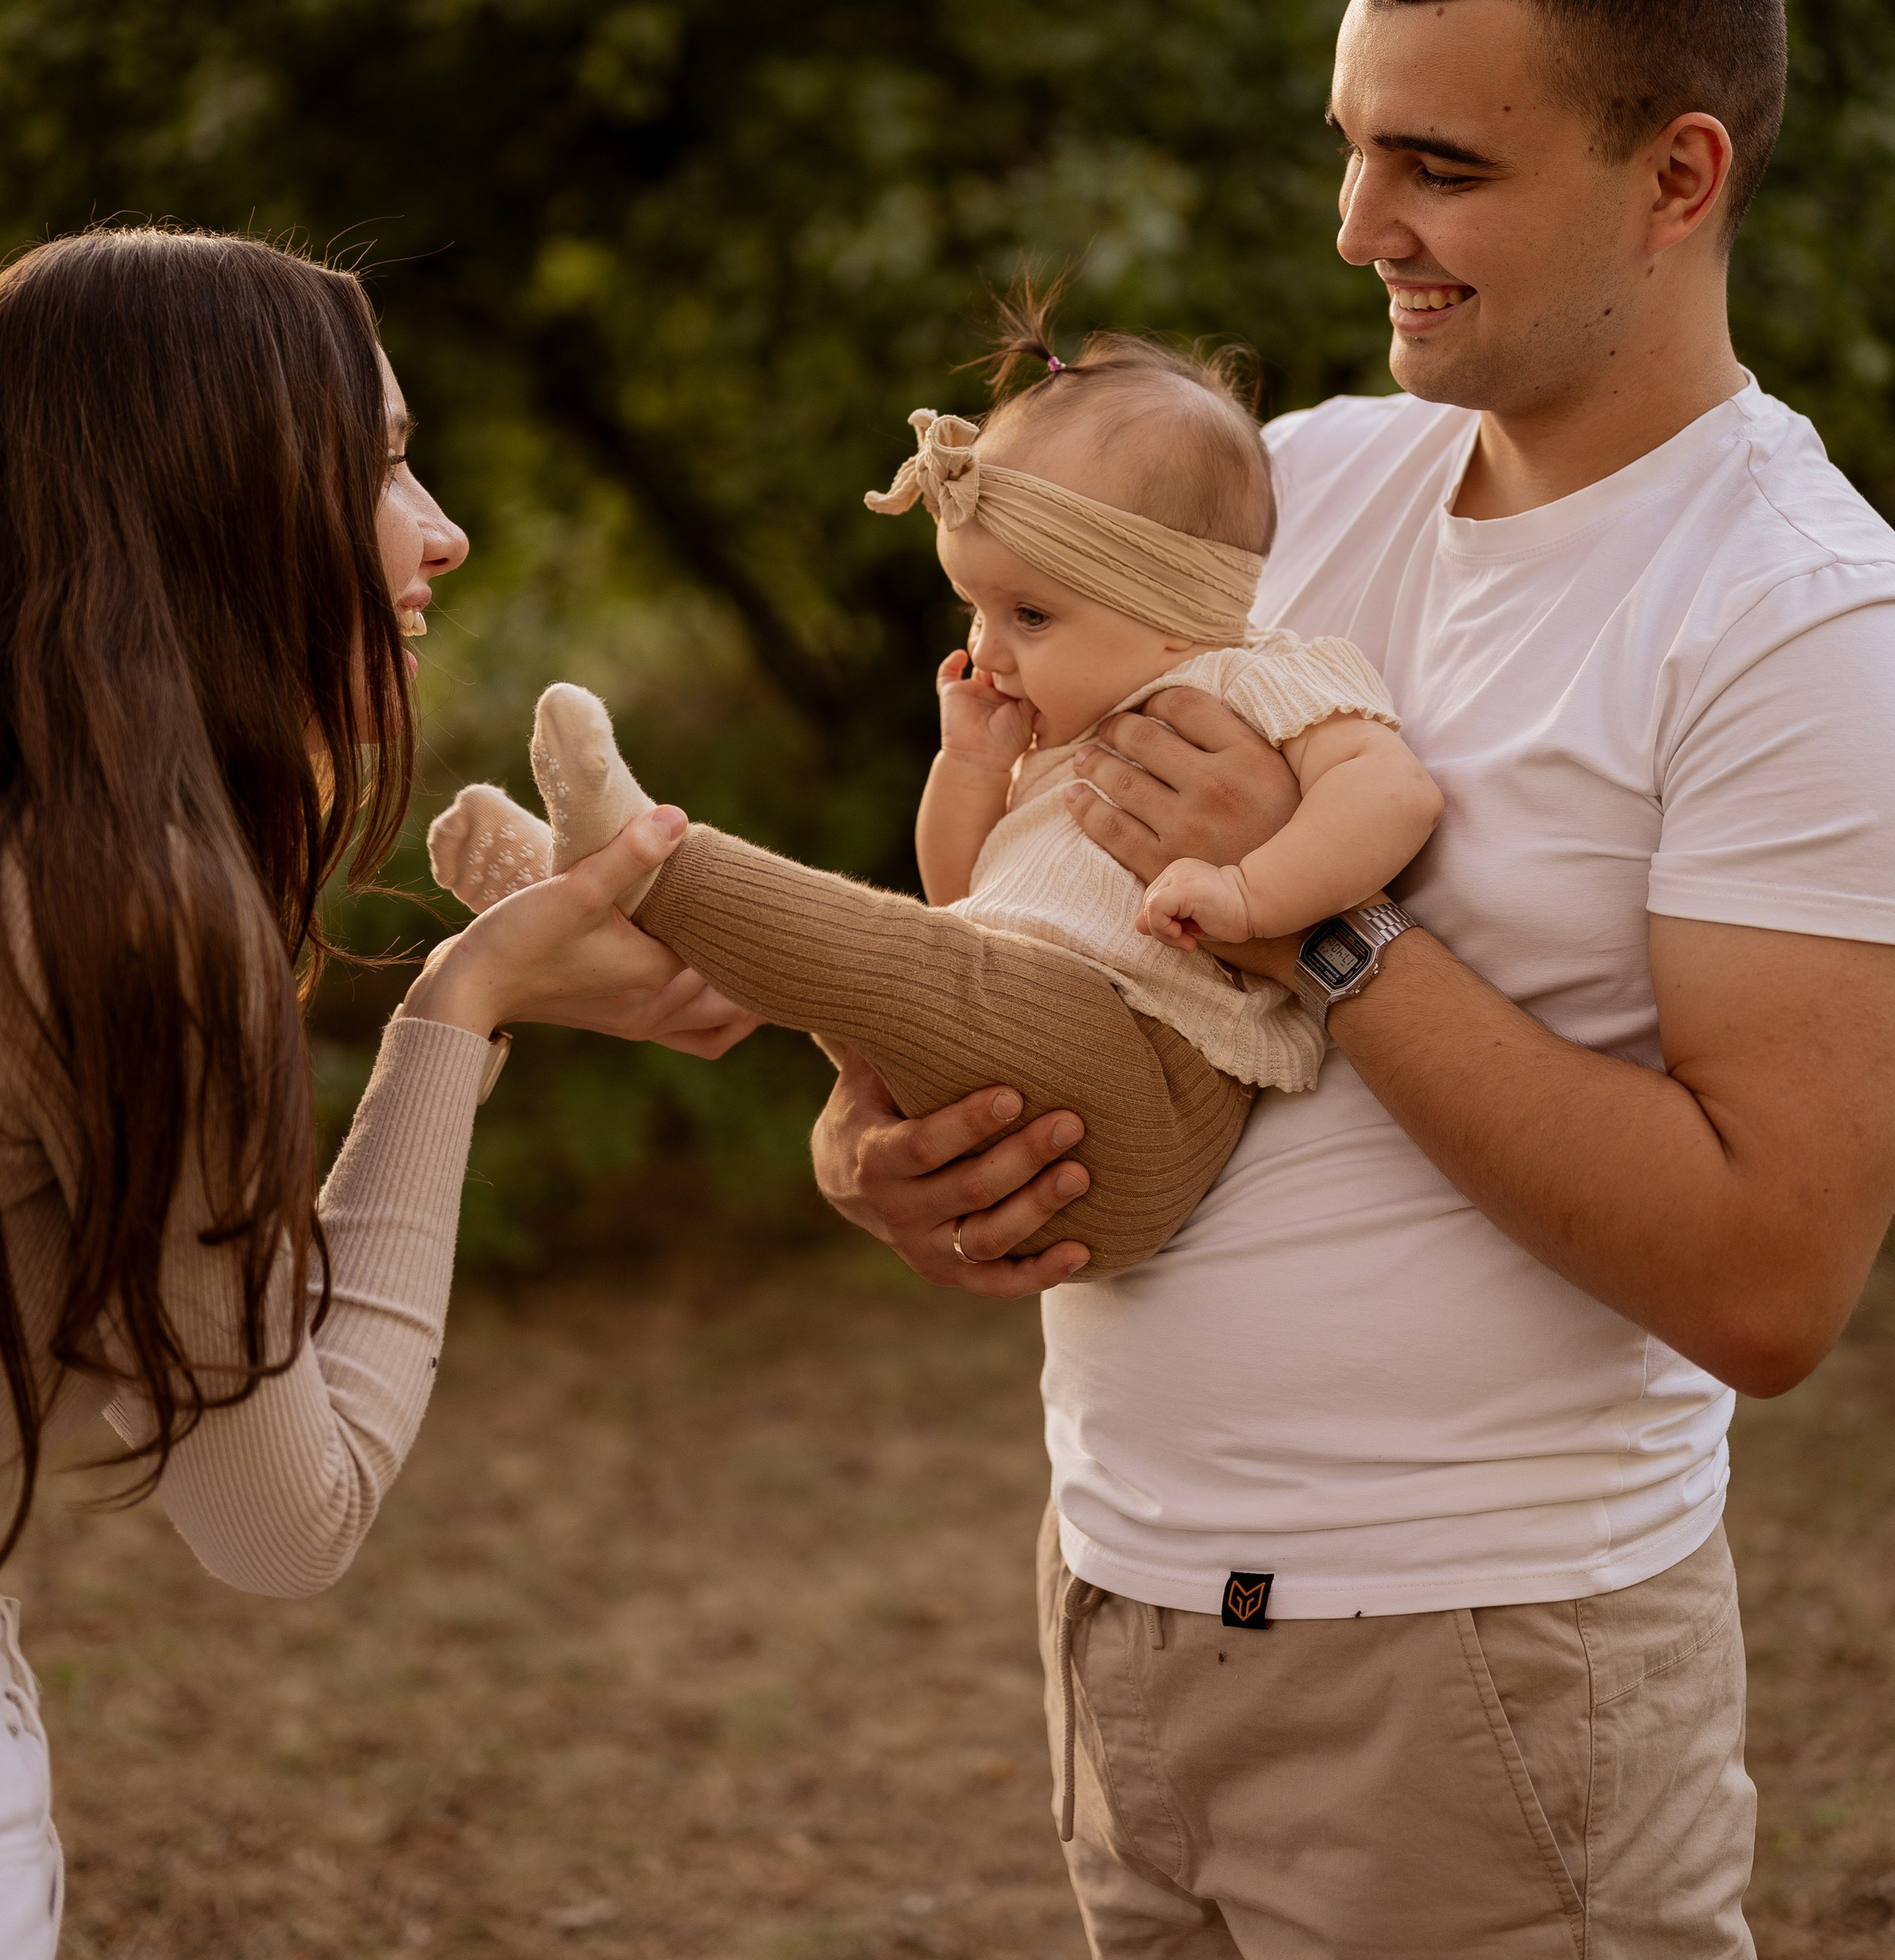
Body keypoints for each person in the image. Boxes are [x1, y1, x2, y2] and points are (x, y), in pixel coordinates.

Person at [807, 0, 1895, 1960]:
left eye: (1440, 164)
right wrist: (889, 1140)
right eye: (1350, 145)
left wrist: (1332, 930)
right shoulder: (1298, 486)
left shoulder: (1804, 621)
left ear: (1677, 173)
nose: (1354, 227)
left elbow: (1771, 1278)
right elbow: (1027, 905)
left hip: (1484, 1686)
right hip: (1124, 1615)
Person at [0, 227, 751, 1960]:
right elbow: (285, 1512)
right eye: (381, 465)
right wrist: (463, 1008)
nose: (446, 529)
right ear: (215, 504)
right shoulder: (132, 908)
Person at [423, 315, 1441, 1277]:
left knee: (897, 966)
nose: (987, 649)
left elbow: (1390, 797)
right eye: (977, 608)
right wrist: (967, 769)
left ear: (1175, 605)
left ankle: (640, 865)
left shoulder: (1257, 678)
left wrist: (1259, 898)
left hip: (1143, 1094)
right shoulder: (1056, 735)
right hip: (1006, 1053)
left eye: (1030, 615)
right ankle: (609, 916)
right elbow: (956, 895)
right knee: (874, 973)